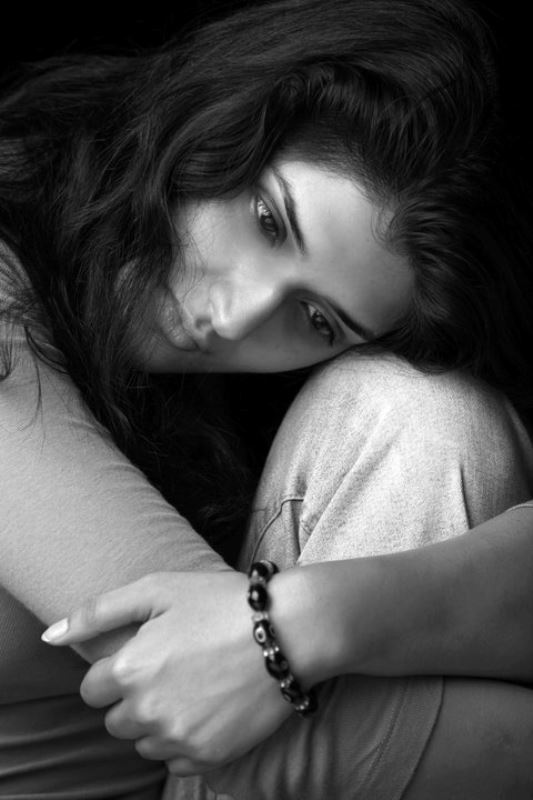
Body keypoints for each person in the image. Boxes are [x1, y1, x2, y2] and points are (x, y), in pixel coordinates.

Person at [1, 0, 532, 798]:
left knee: (427, 412)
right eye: (265, 220)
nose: (235, 318)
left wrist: (313, 616)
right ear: (217, 118)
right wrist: (285, 633)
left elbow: (250, 660)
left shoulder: (245, 406)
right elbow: (197, 682)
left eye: (316, 320)